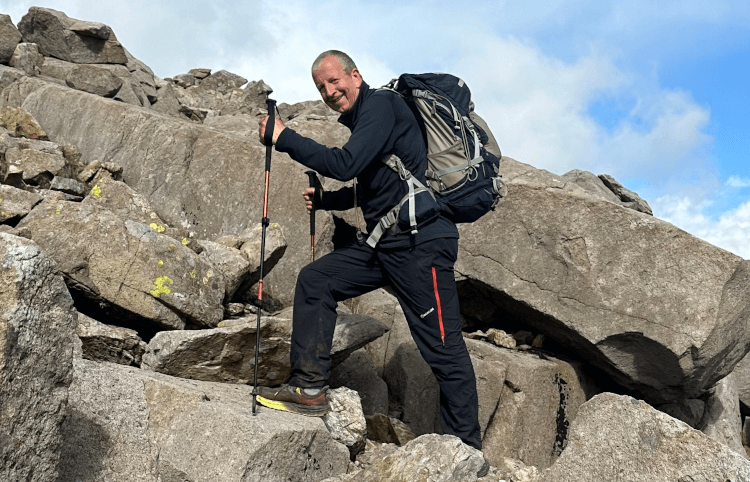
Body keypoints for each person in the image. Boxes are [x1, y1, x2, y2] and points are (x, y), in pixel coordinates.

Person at [256, 50, 483, 453]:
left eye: (334, 81)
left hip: (421, 245)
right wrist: (328, 201)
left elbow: (346, 163)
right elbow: (375, 185)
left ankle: (464, 450)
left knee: (444, 350)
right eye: (321, 87)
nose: (329, 91)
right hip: (387, 244)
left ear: (354, 75)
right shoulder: (369, 117)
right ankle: (308, 387)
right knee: (316, 280)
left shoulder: (380, 104)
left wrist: (284, 137)